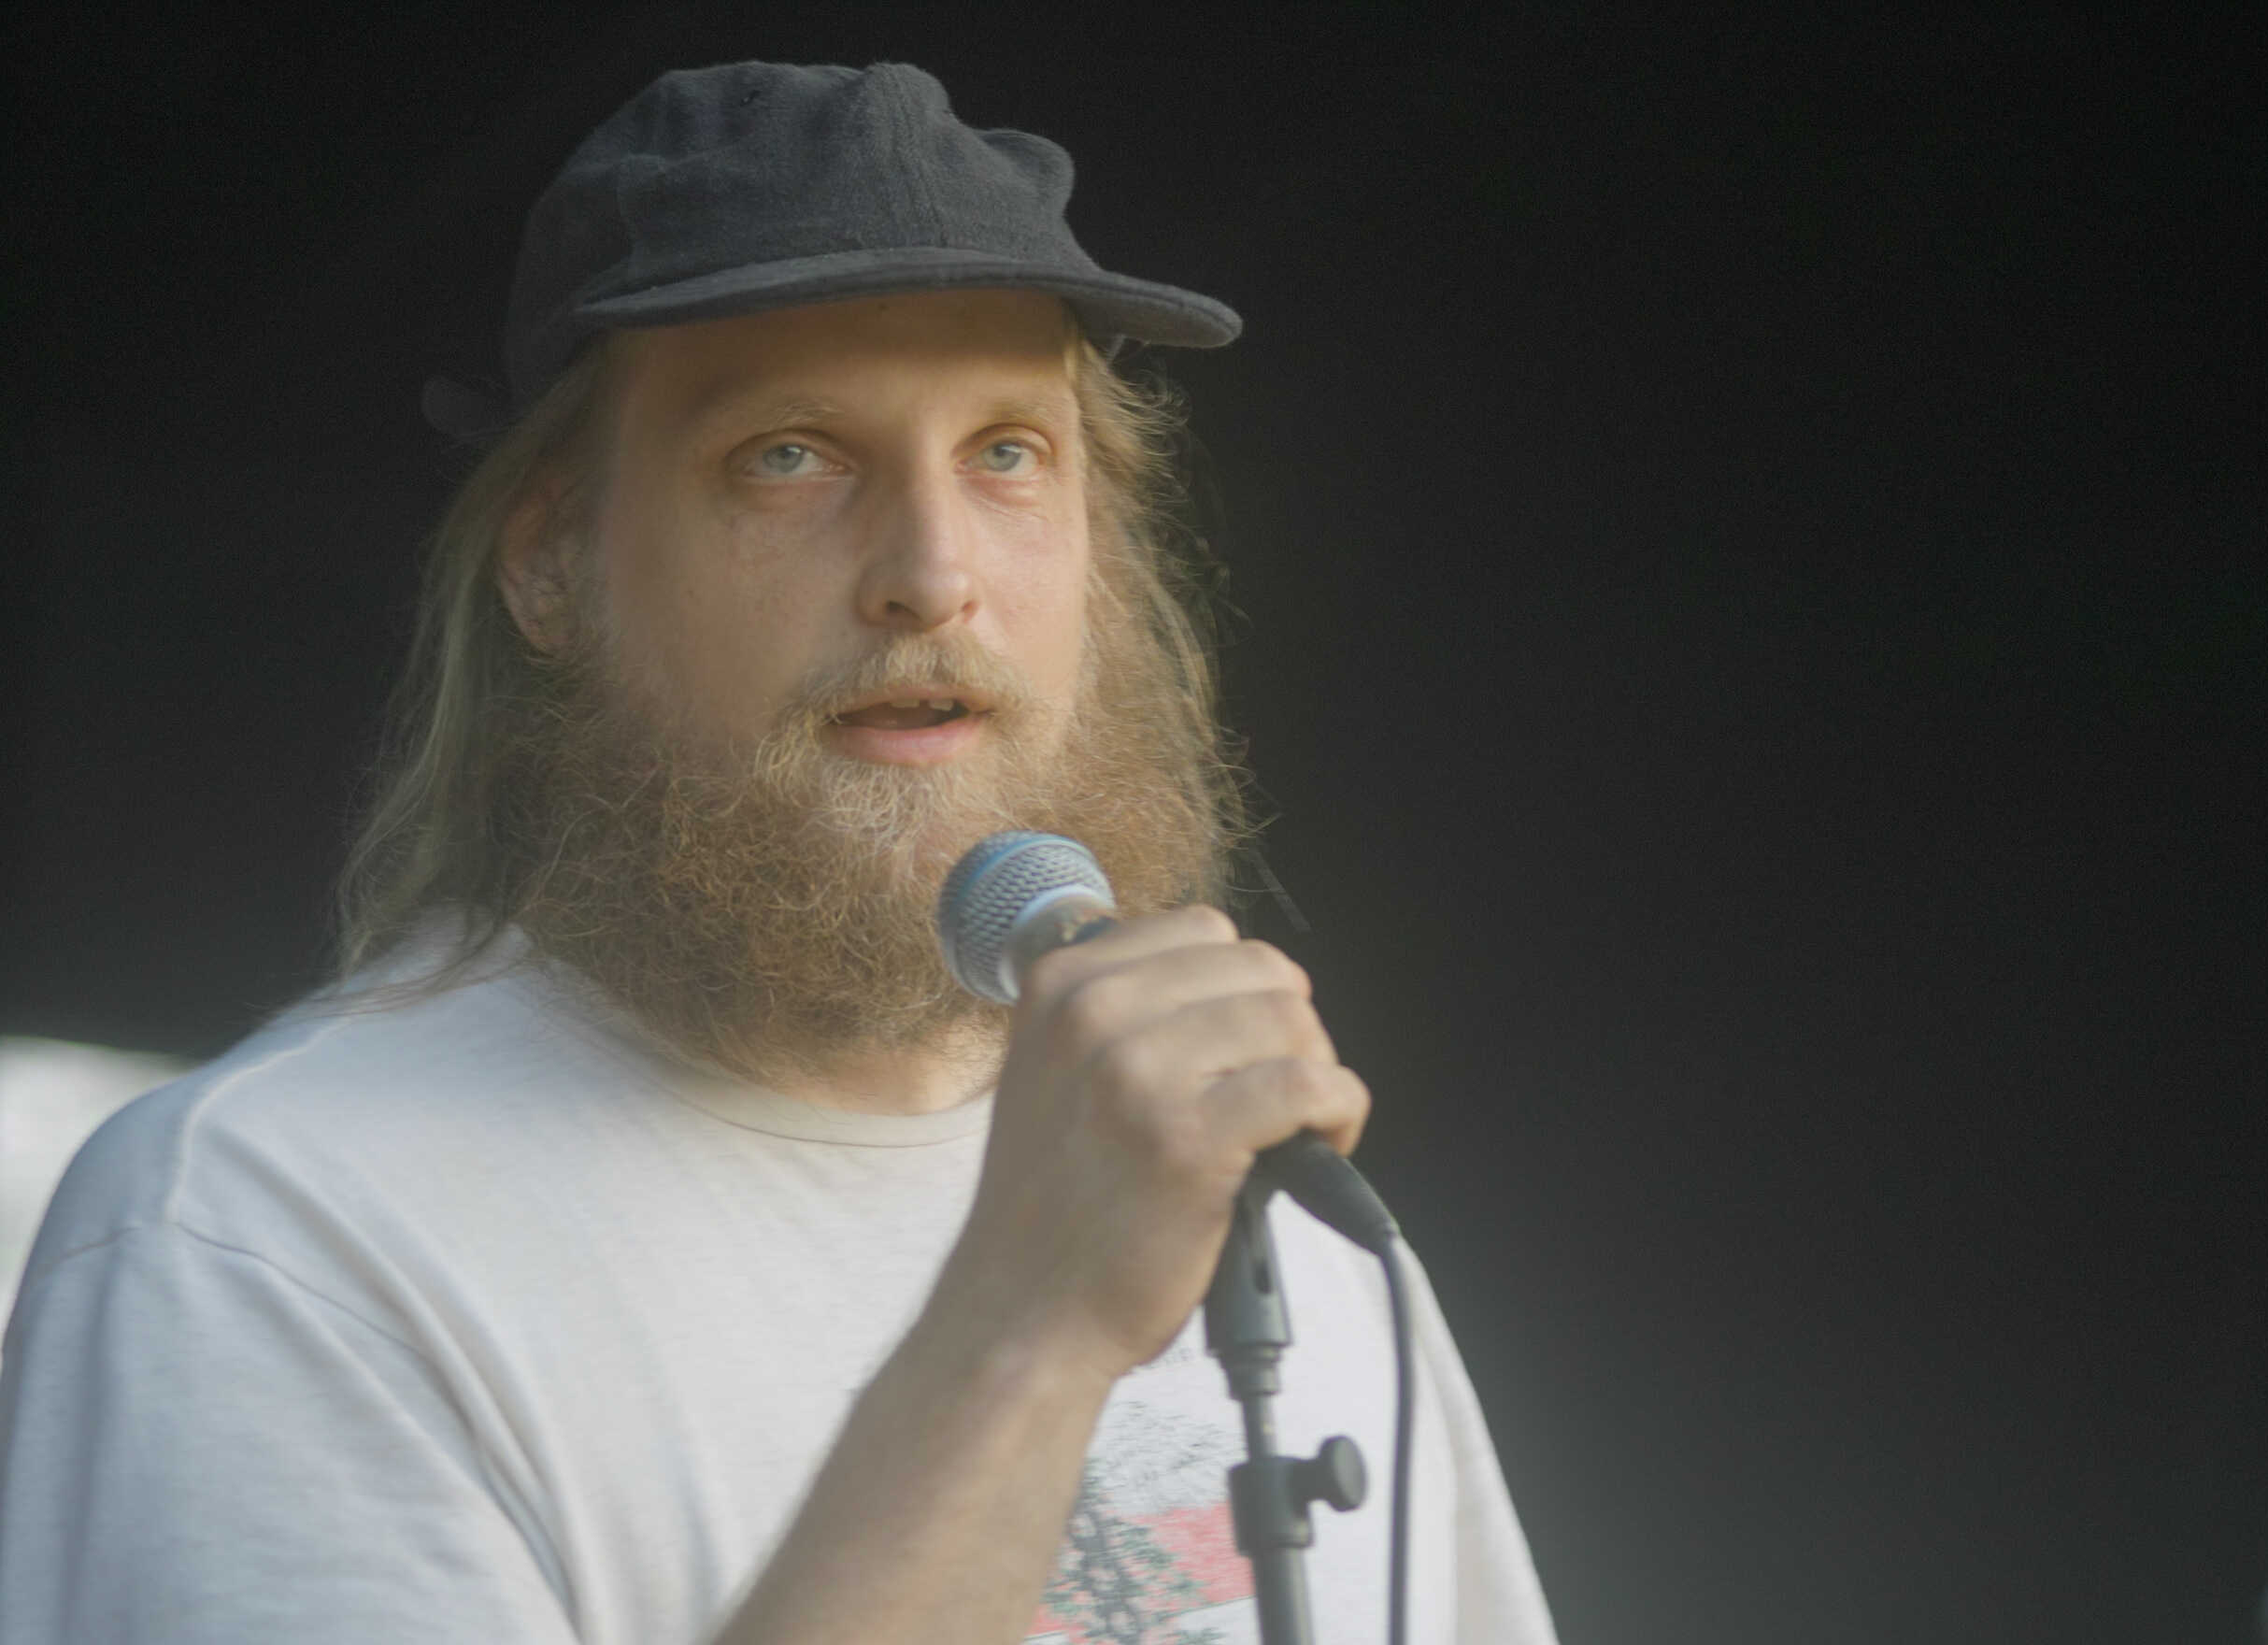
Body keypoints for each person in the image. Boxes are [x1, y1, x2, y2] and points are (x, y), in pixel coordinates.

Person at [0, 61, 1558, 1645]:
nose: (931, 573)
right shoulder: (262, 1230)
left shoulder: (1257, 1188)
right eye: (791, 456)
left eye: (1009, 452)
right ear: (551, 563)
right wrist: (1028, 1331)